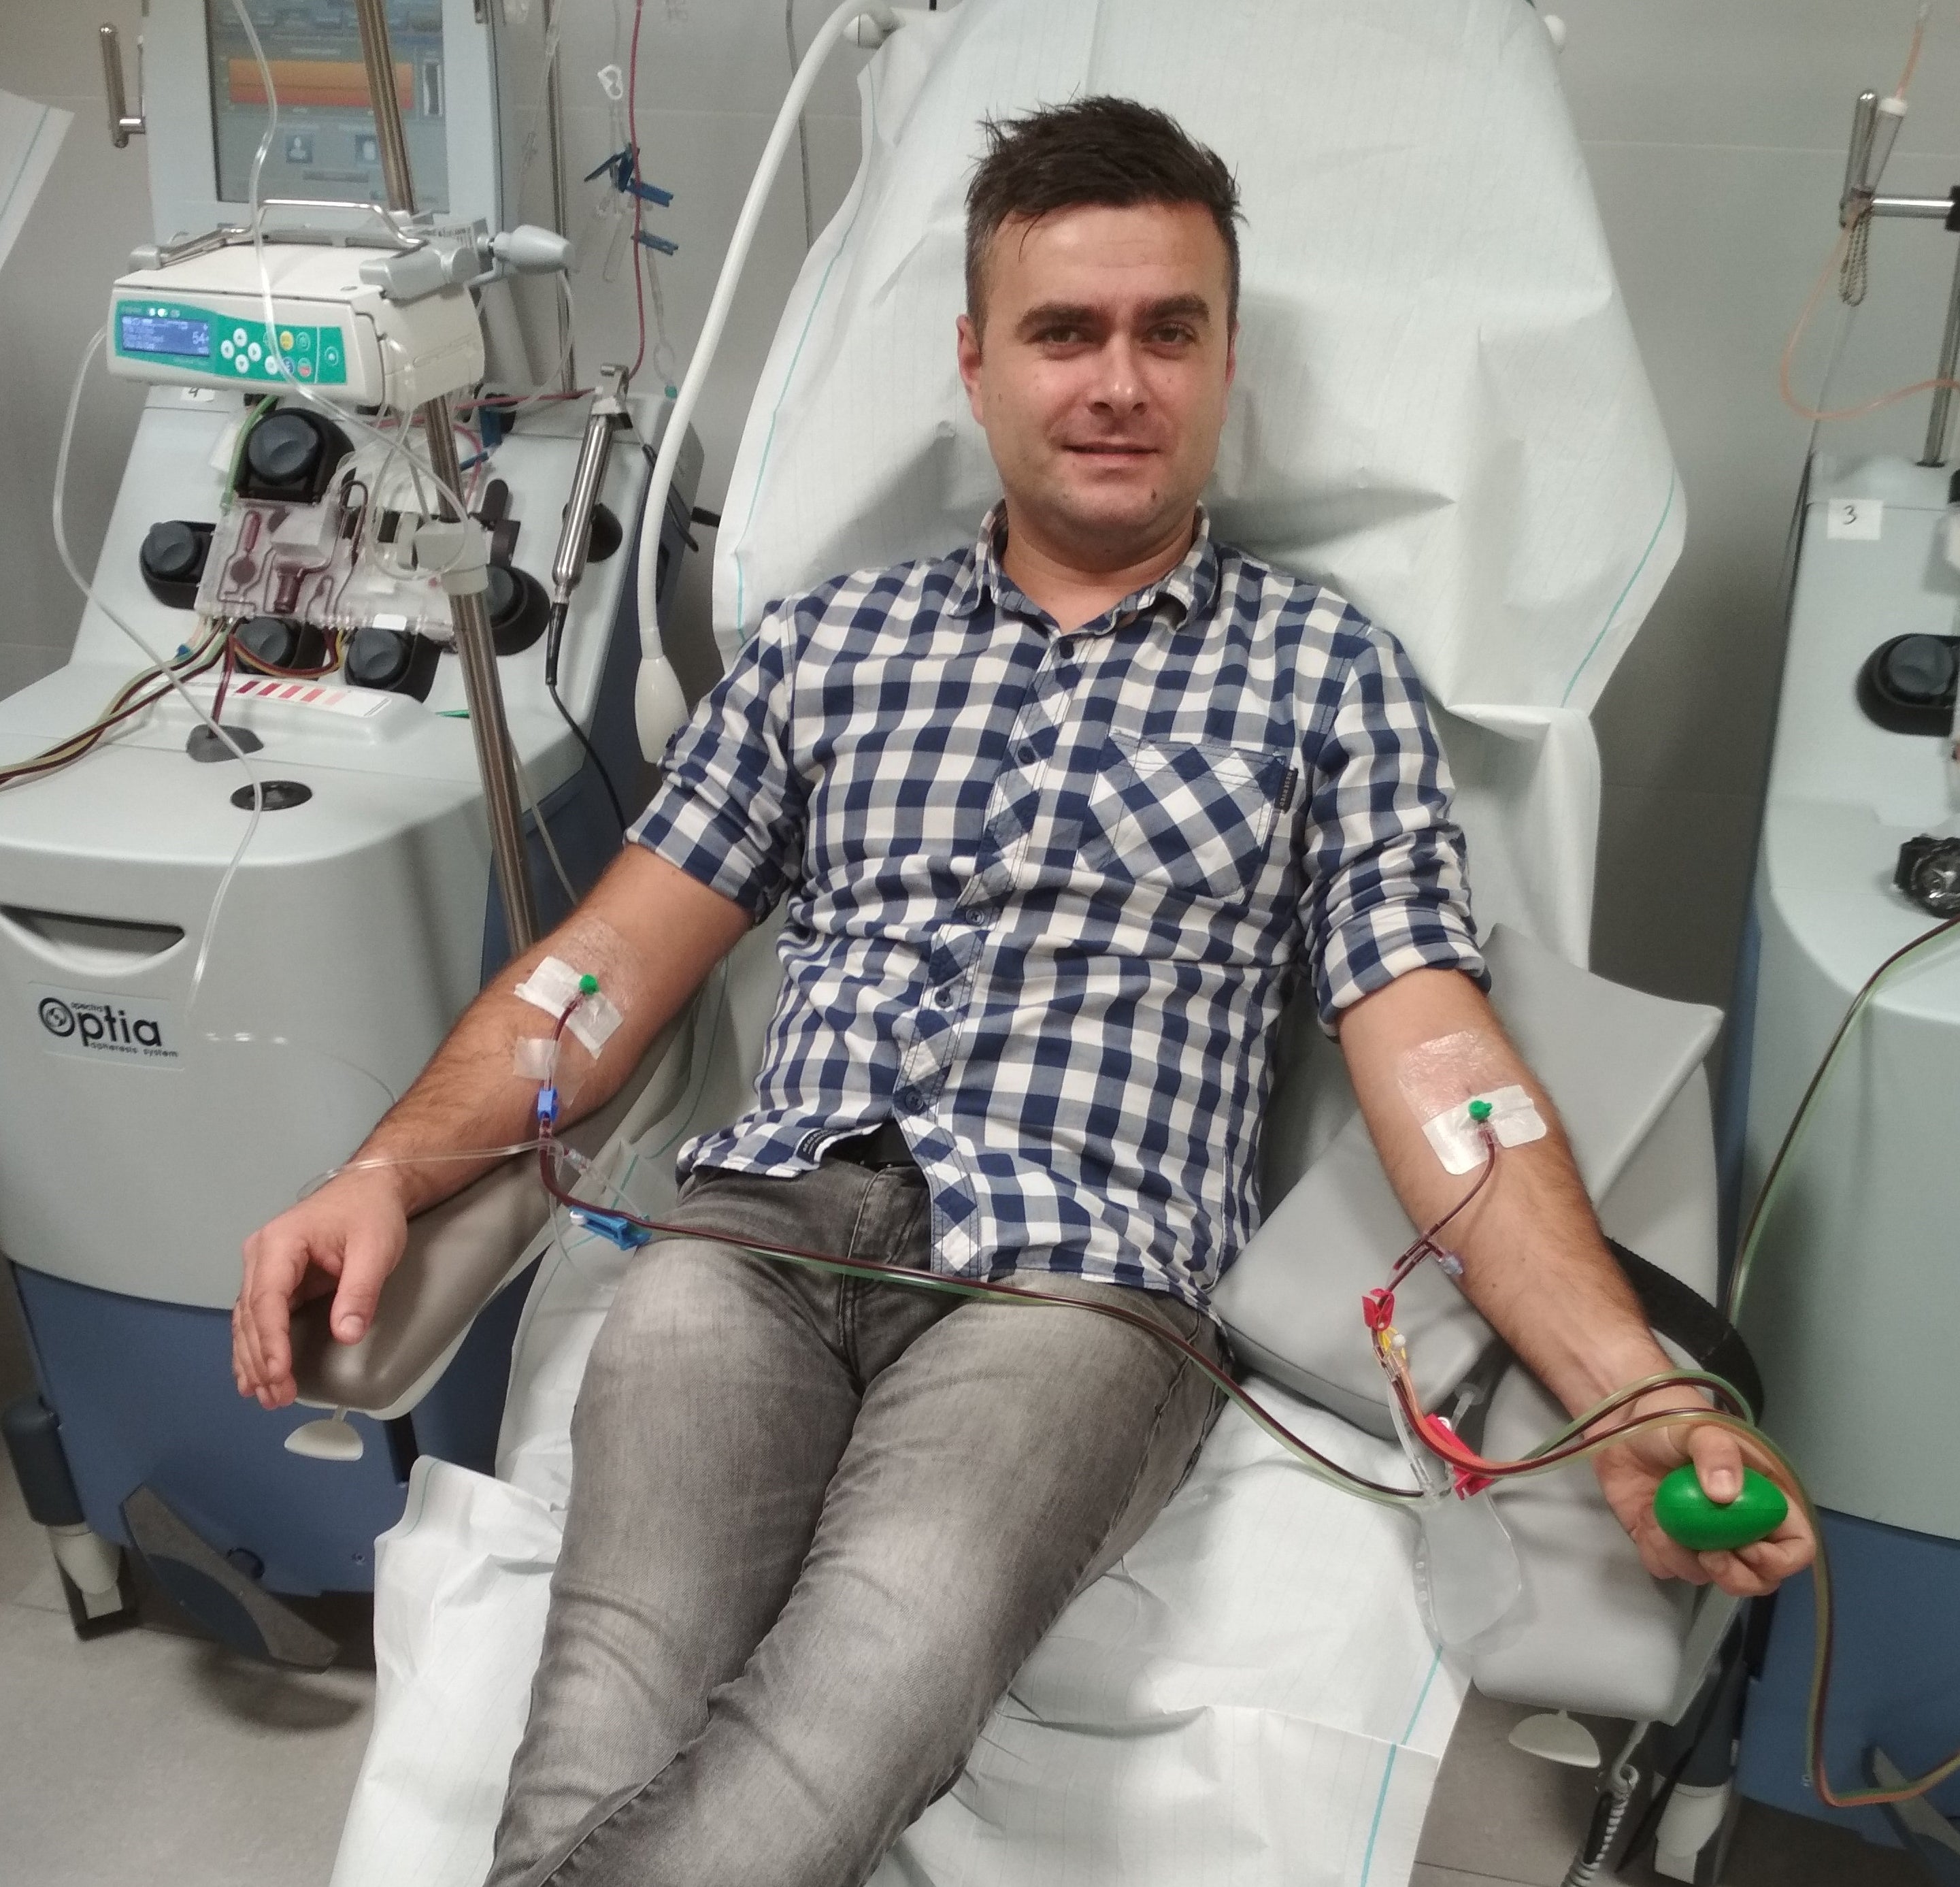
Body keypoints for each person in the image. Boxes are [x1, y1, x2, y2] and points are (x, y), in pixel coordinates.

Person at [233, 97, 1812, 1887]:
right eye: (1065, 332)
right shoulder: (821, 650)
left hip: (1081, 1287)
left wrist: (1628, 1391)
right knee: (605, 1707)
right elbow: (602, 969)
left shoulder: (1326, 676)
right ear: (976, 367)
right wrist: (391, 1170)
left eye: (1167, 332)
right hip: (754, 1241)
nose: (1117, 382)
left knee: (856, 1699)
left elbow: (1434, 1048)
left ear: (1223, 365)